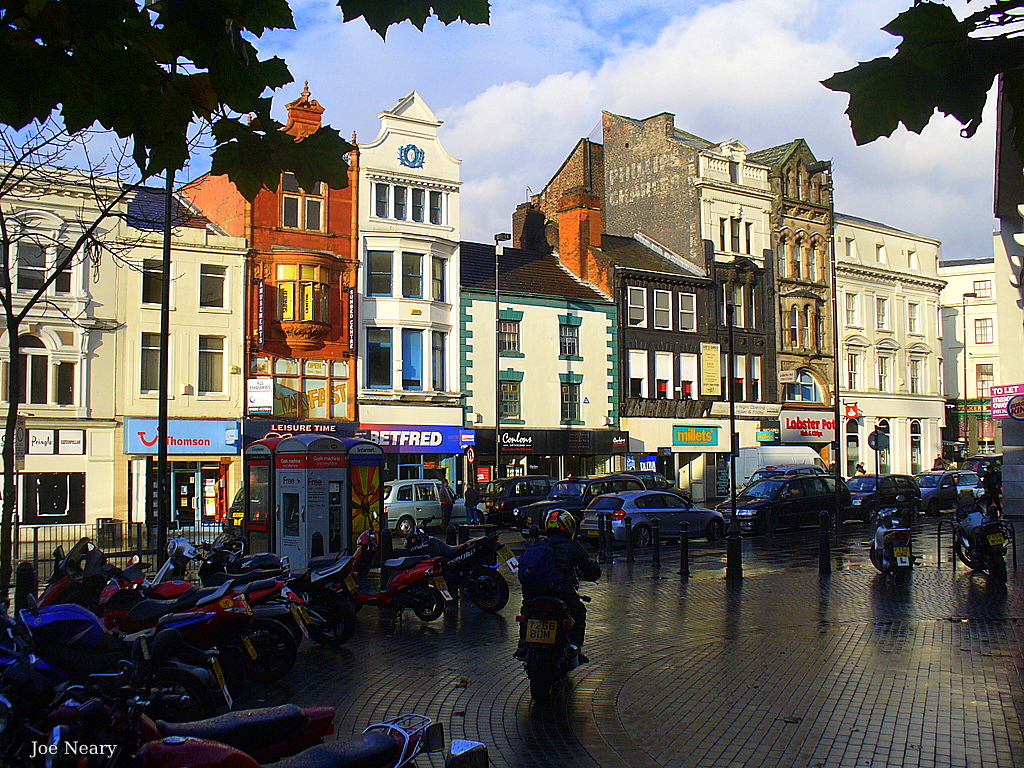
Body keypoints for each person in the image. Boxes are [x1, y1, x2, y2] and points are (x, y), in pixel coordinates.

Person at [514, 509, 601, 663]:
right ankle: (575, 648)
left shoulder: (537, 544)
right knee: (579, 612)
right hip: (561, 594)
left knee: (526, 610)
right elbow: (590, 570)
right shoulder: (573, 546)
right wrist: (594, 570)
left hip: (533, 593)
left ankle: (523, 643)